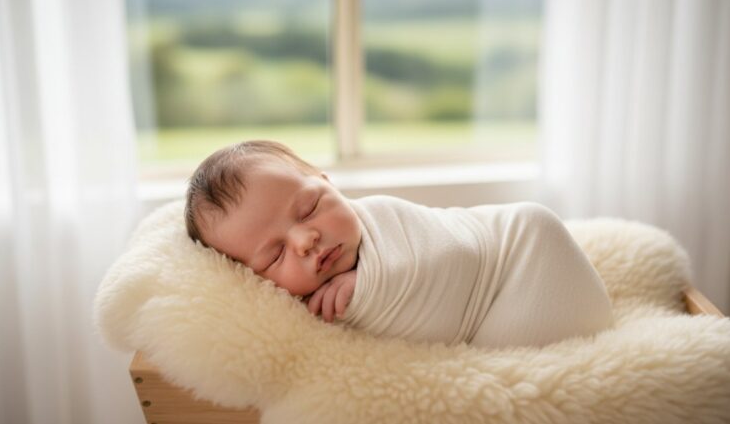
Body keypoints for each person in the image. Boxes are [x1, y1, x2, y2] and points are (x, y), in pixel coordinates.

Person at [185, 140, 613, 349]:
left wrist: (368, 288)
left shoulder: (383, 216)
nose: (305, 239)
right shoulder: (293, 310)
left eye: (310, 207)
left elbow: (455, 254)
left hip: (524, 253)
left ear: (327, 182)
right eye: (275, 254)